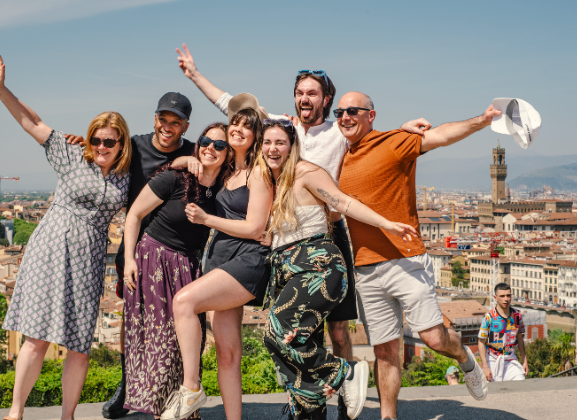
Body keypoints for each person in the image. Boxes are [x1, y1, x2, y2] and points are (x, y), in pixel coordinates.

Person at [175, 44, 428, 420]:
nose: (304, 98)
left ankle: (344, 391)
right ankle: (307, 404)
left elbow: (351, 176)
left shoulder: (331, 141)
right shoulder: (279, 137)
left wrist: (402, 135)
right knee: (287, 336)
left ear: (326, 99)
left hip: (322, 243)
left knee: (330, 332)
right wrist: (195, 76)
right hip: (283, 251)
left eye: (312, 93)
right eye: (299, 92)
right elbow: (233, 107)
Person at [0, 51, 132, 420]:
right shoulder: (70, 154)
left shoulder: (129, 175)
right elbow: (32, 121)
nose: (101, 147)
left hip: (90, 258)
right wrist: (1, 88)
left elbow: (164, 159)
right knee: (36, 336)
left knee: (80, 345)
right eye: (96, 140)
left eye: (109, 142)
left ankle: (67, 417)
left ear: (121, 143)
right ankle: (15, 412)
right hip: (51, 247)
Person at [335, 91, 500, 419]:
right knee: (385, 351)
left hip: (406, 260)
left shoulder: (396, 141)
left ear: (371, 115)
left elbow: (440, 135)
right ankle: (388, 416)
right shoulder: (337, 154)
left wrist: (481, 121)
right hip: (365, 268)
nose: (344, 116)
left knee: (434, 338)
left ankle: (465, 358)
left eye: (353, 110)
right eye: (339, 112)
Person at [258, 120, 418, 420]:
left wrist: (386, 224)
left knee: (276, 333)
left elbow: (343, 201)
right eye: (267, 142)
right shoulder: (272, 180)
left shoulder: (306, 173)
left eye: (280, 142)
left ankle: (344, 371)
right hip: (291, 271)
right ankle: (307, 412)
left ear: (292, 147)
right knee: (298, 343)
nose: (272, 148)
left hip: (316, 266)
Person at [65, 92, 196, 419]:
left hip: (181, 252)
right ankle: (128, 388)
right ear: (154, 119)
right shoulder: (134, 146)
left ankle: (186, 394)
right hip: (136, 251)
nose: (167, 127)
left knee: (185, 326)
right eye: (162, 119)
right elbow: (104, 150)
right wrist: (85, 144)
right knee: (133, 325)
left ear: (185, 126)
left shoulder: (195, 152)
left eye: (175, 122)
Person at [160, 97, 274, 420]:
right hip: (222, 260)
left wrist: (206, 220)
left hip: (247, 260)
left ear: (256, 136)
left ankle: (191, 388)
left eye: (247, 126)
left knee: (183, 302)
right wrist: (186, 161)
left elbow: (254, 228)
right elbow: (189, 165)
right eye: (235, 123)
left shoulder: (258, 173)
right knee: (227, 354)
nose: (238, 129)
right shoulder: (228, 173)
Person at [121, 123, 231, 419]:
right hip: (153, 260)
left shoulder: (224, 188)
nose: (210, 147)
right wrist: (129, 260)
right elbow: (134, 215)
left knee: (186, 340)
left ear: (227, 153)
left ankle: (185, 403)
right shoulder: (175, 178)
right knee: (161, 340)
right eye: (206, 141)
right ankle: (164, 410)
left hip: (190, 265)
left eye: (219, 145)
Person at [477, 283, 528, 381]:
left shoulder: (518, 316)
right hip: (492, 359)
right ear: (495, 297)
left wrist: (525, 361)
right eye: (502, 296)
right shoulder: (488, 317)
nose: (506, 299)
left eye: (508, 295)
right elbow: (481, 342)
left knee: (520, 382)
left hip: (510, 358)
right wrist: (485, 366)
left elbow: (520, 339)